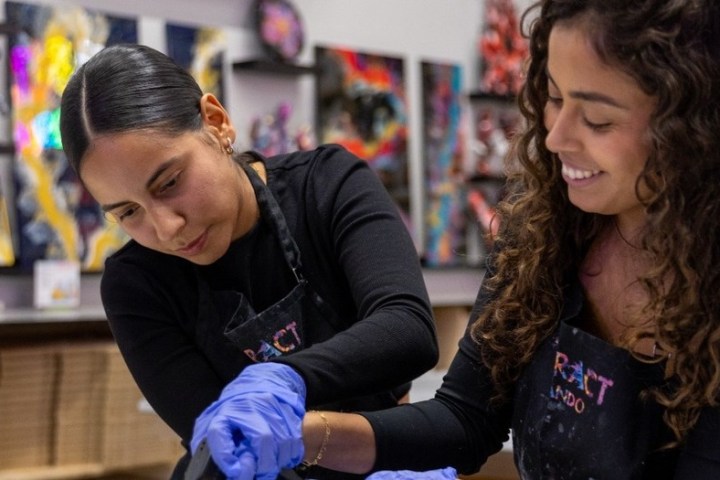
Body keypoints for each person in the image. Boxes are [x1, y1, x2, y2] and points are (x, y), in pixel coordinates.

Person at [224, 0, 720, 479]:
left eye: (597, 119)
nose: (555, 137)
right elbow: (465, 418)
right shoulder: (544, 237)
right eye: (553, 97)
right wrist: (302, 435)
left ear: (695, 126)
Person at [58, 43, 439, 480]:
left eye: (169, 183)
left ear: (216, 122)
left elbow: (408, 330)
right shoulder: (137, 284)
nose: (167, 227)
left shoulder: (327, 185)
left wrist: (282, 382)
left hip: (386, 462)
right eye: (127, 212)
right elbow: (224, 441)